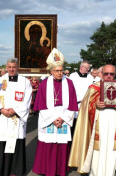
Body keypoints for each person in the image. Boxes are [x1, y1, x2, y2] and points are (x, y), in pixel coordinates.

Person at [69, 64, 116, 176]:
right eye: (106, 73)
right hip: (98, 125)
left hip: (114, 125)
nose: (109, 76)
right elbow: (84, 107)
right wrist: (95, 104)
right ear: (102, 74)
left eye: (112, 74)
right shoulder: (93, 88)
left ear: (115, 75)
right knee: (97, 152)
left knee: (111, 152)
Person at [32, 48, 78, 176]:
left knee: (62, 145)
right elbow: (40, 104)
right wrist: (52, 119)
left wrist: (63, 118)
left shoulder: (69, 83)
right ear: (51, 71)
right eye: (57, 71)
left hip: (63, 117)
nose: (59, 73)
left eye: (61, 70)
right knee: (49, 144)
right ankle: (47, 170)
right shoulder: (44, 84)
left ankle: (60, 170)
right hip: (49, 118)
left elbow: (73, 103)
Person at [0, 58, 32, 176]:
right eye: (9, 67)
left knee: (15, 143)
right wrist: (1, 110)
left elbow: (27, 99)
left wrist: (15, 110)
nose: (11, 69)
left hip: (16, 118)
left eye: (14, 67)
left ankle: (14, 171)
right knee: (0, 143)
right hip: (2, 118)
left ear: (17, 67)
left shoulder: (25, 82)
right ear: (6, 67)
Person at [69, 60, 93, 136]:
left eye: (88, 68)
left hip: (86, 104)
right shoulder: (73, 76)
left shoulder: (90, 77)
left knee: (84, 126)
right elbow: (70, 90)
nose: (87, 70)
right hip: (75, 104)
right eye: (86, 68)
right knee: (74, 125)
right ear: (81, 67)